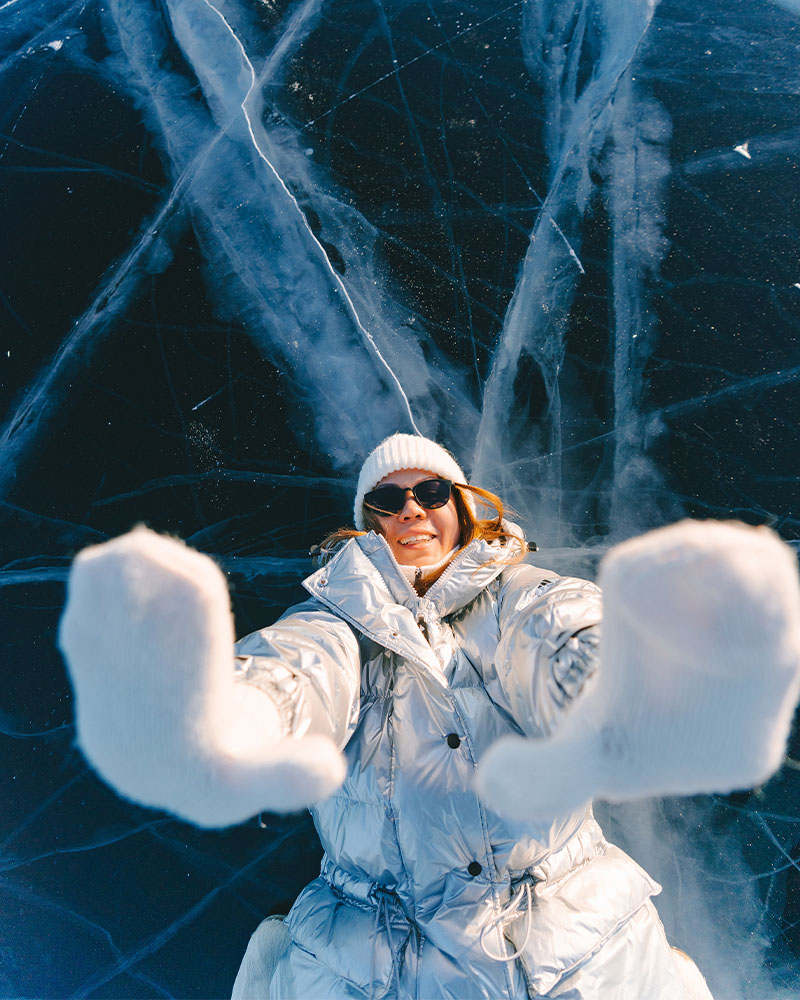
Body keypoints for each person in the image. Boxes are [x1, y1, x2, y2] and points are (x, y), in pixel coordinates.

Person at [59, 433, 800, 1000]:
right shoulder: (333, 623)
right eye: (386, 500)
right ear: (366, 525)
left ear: (461, 507)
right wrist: (224, 719)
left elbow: (565, 639)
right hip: (371, 966)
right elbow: (296, 672)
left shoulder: (516, 598)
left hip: (567, 953)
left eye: (431, 490)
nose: (410, 508)